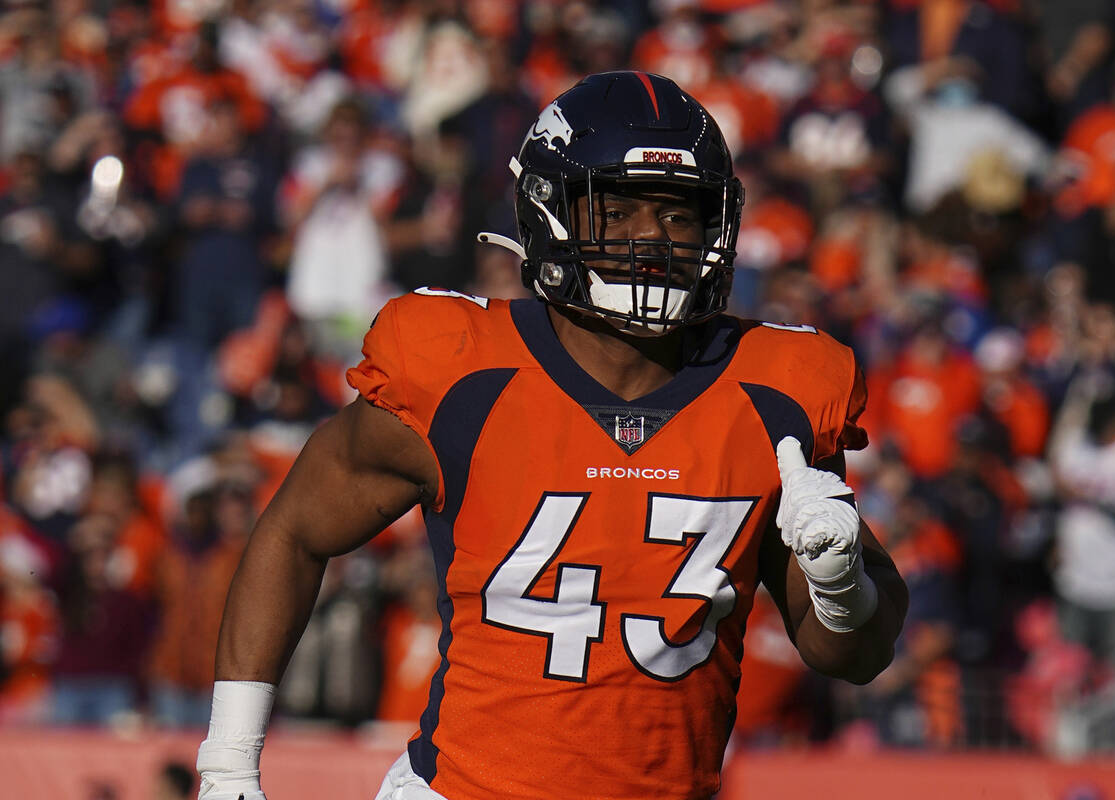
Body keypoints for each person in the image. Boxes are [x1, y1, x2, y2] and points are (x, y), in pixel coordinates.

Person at [196, 71, 908, 800]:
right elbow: (293, 531)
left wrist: (840, 583)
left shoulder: (777, 390)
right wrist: (228, 763)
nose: (651, 240)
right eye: (618, 211)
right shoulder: (461, 373)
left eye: (678, 215)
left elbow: (852, 656)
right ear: (550, 214)